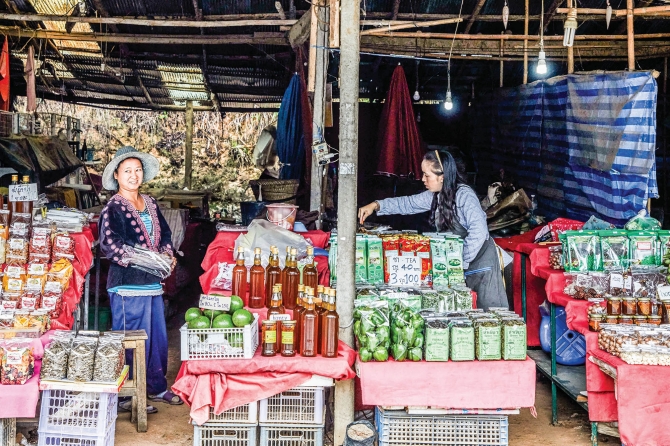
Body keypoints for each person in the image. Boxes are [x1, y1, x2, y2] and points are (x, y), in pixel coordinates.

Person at [358, 150, 507, 310]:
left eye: (426, 175)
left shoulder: (465, 196)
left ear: (441, 176)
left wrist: (459, 263)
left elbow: (479, 232)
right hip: (460, 265)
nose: (422, 179)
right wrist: (376, 205)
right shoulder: (437, 194)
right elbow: (408, 203)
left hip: (480, 265)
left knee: (489, 313)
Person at [99, 146, 183, 413]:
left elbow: (166, 236)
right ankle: (128, 395)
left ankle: (156, 387)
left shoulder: (150, 203)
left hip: (152, 284)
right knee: (130, 339)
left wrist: (167, 255)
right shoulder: (112, 208)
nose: (133, 175)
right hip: (127, 285)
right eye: (127, 171)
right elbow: (110, 245)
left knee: (156, 339)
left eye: (137, 170)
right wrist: (146, 258)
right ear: (116, 175)